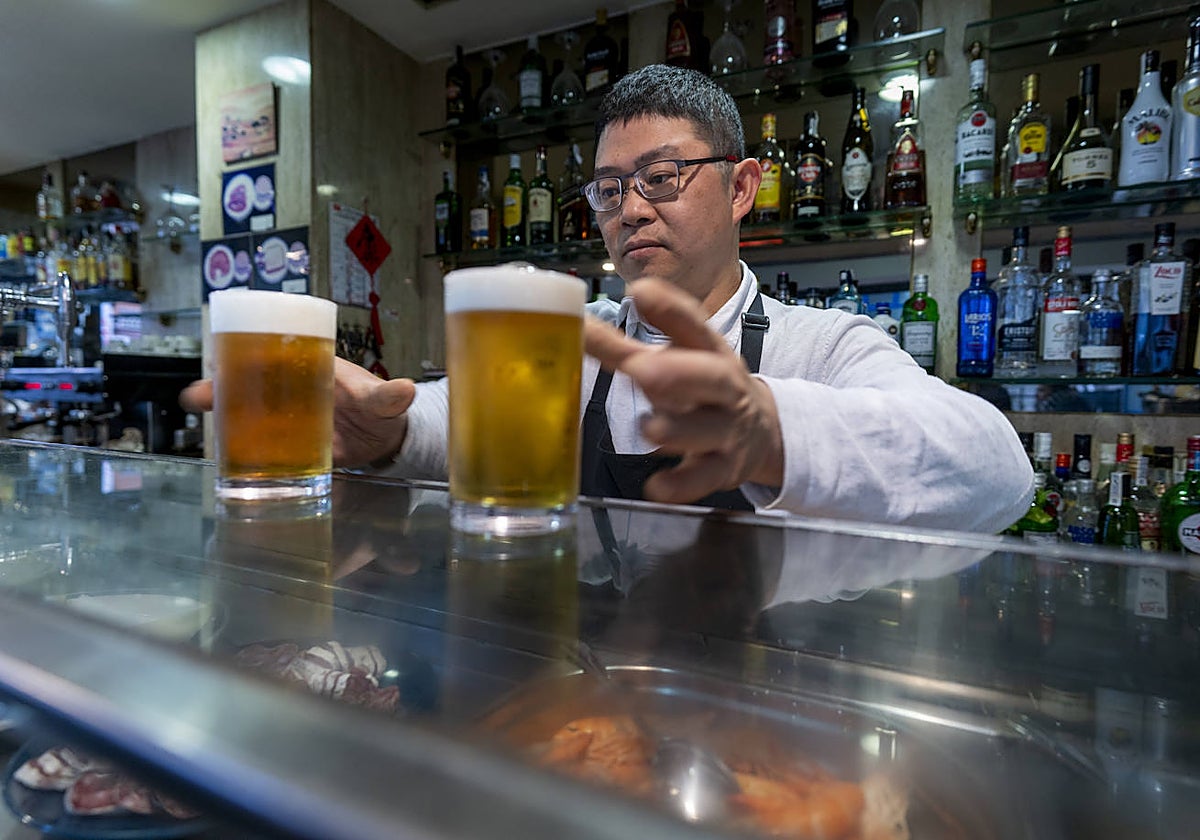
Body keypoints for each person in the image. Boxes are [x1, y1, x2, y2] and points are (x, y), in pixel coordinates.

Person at [183, 64, 1033, 534]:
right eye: (610, 189)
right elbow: (461, 413)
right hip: (584, 686)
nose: (630, 209)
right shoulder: (575, 334)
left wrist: (772, 429)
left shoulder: (824, 344)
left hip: (758, 708)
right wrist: (391, 431)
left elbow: (999, 471)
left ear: (742, 187)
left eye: (662, 177)